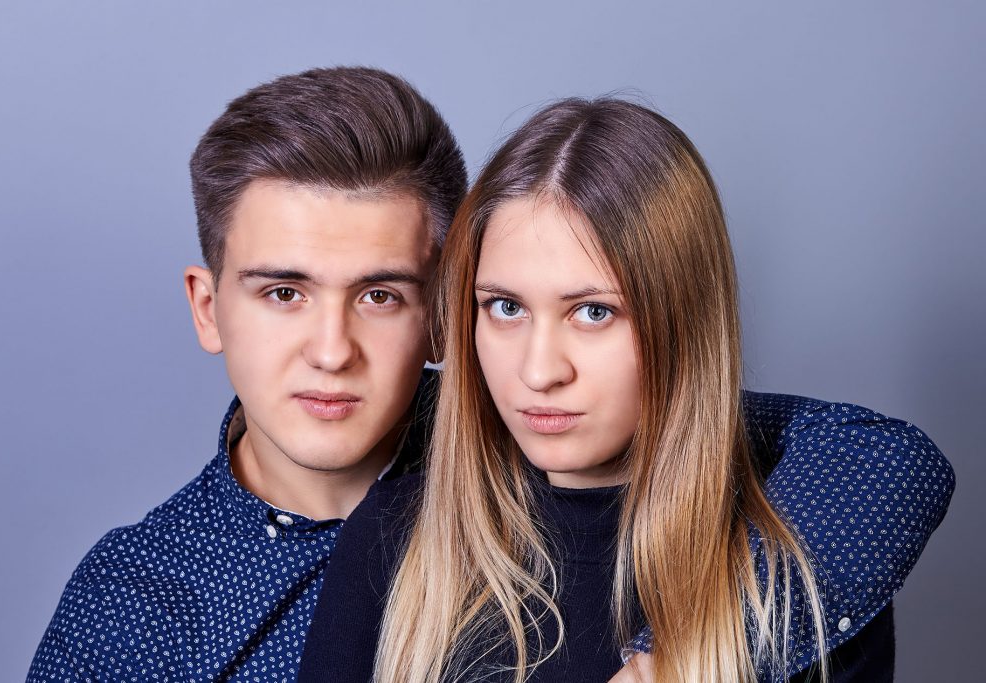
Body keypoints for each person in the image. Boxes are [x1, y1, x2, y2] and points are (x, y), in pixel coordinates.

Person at [298, 98, 954, 682]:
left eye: (593, 312)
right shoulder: (395, 538)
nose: (538, 369)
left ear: (685, 321)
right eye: (504, 307)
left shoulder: (800, 566)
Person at [27, 66, 466, 682]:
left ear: (442, 314)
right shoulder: (128, 607)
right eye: (285, 293)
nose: (333, 352)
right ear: (208, 311)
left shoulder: (541, 473)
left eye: (379, 296)